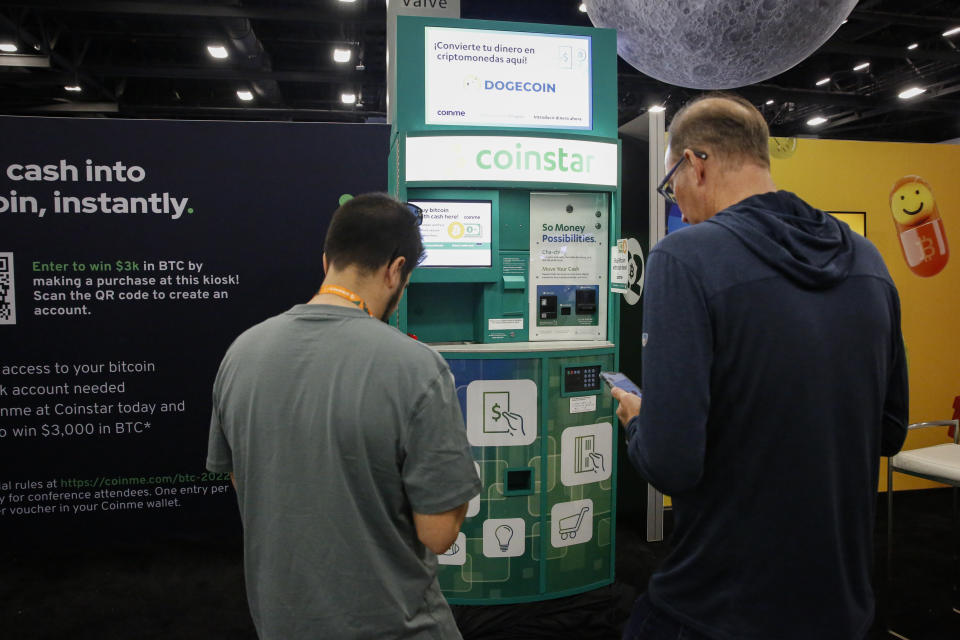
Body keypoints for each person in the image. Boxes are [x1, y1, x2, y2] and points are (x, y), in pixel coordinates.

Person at [612, 94, 909, 640]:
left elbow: (671, 463)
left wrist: (637, 421)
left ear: (696, 163)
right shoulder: (869, 260)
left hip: (718, 605)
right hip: (840, 603)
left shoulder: (685, 257)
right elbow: (889, 432)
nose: (674, 199)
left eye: (671, 181)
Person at [206, 193, 481, 640]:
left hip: (282, 623)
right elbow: (437, 534)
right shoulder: (417, 367)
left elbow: (243, 479)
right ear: (395, 271)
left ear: (326, 261)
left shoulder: (241, 352)